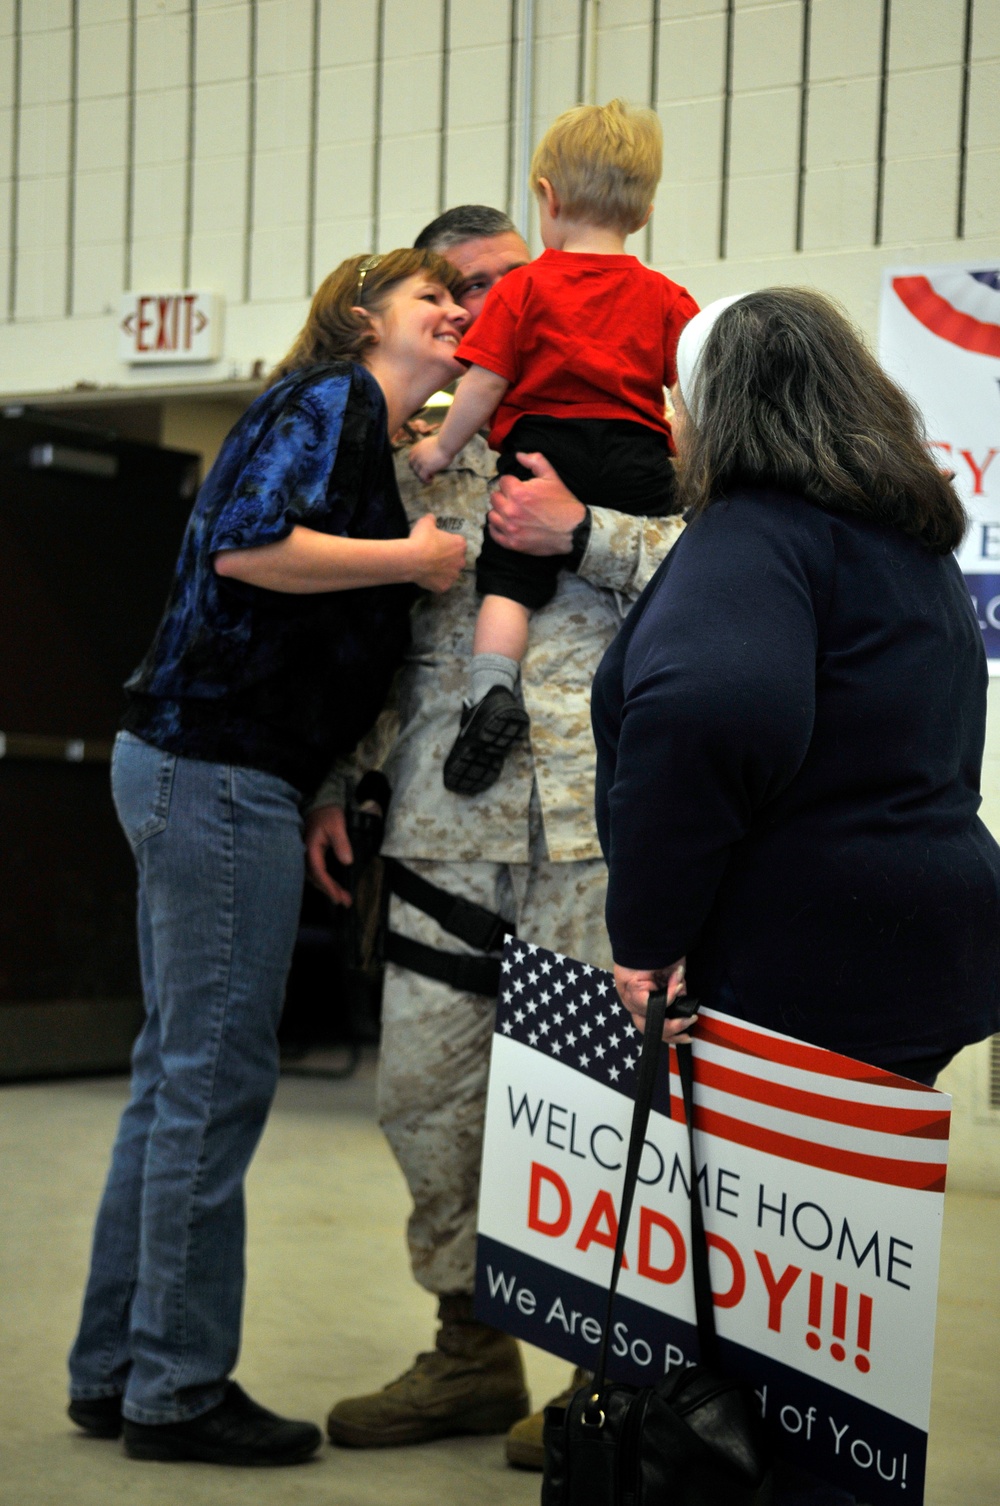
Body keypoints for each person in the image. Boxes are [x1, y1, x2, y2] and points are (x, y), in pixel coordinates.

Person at [592, 289, 1000, 1506]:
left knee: (784, 1329)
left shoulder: (756, 533)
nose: (666, 420)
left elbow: (707, 710)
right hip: (919, 954)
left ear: (718, 408)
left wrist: (647, 940)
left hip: (800, 972)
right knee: (842, 1302)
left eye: (675, 395)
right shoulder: (906, 537)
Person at [66, 248, 468, 1467]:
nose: (455, 312)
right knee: (212, 1079)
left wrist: (317, 788)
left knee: (174, 1073)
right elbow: (250, 548)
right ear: (362, 320)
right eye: (429, 297)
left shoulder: (357, 434)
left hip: (220, 768)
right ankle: (178, 1393)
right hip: (212, 768)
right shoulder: (332, 399)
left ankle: (117, 1368)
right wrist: (415, 559)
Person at [306, 205, 687, 1465]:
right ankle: (469, 1345)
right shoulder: (413, 444)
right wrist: (332, 779)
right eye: (460, 297)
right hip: (443, 818)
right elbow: (368, 625)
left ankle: (599, 1366)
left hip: (594, 822)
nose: (485, 316)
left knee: (593, 1100)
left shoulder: (639, 430)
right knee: (425, 1097)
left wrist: (582, 533)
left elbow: (711, 570)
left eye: (505, 291)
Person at [408, 102, 697, 796]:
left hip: (543, 445)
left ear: (547, 196)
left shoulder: (527, 292)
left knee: (508, 582)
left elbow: (485, 384)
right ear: (647, 210)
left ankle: (489, 690)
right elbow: (697, 392)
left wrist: (441, 449)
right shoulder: (664, 295)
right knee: (670, 579)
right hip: (637, 448)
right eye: (468, 286)